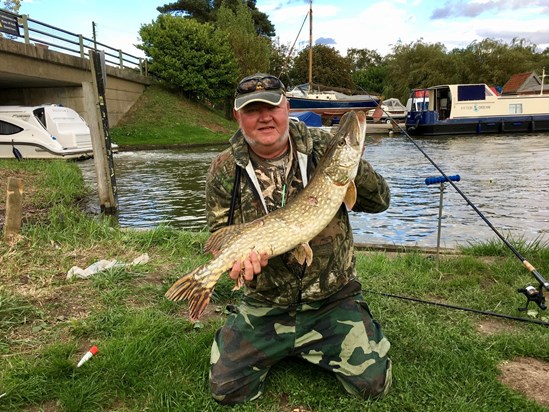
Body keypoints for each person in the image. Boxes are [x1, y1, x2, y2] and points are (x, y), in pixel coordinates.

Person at [205, 73, 392, 405]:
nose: (264, 117)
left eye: (272, 106)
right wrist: (240, 266)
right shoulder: (223, 170)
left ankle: (308, 341)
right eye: (252, 110)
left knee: (373, 385)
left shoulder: (322, 146)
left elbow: (380, 201)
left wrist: (351, 162)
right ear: (238, 116)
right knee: (226, 390)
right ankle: (263, 337)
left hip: (331, 298)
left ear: (286, 107)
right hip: (266, 303)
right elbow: (222, 236)